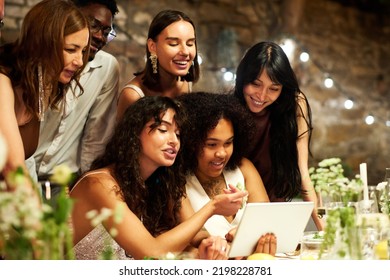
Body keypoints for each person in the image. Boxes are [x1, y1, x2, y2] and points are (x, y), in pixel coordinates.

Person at [70, 96, 248, 260]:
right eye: (163, 130)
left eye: (178, 134)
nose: (174, 141)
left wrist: (206, 249)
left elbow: (187, 240)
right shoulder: (99, 185)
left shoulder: (156, 183)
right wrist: (213, 207)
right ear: (134, 134)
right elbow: (151, 253)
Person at [29, 0, 120, 197]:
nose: (99, 37)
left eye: (106, 32)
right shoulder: (35, 65)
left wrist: (84, 190)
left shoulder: (107, 68)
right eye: (93, 24)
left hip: (62, 182)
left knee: (100, 229)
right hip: (20, 176)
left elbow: (96, 139)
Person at [232, 41, 322, 230]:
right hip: (237, 213)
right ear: (243, 79)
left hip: (277, 209)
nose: (262, 95)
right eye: (256, 84)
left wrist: (323, 228)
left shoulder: (294, 105)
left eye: (274, 88)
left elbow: (302, 172)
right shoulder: (229, 109)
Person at [0, 0, 90, 180]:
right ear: (42, 43)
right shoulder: (3, 82)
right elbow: (13, 168)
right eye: (71, 49)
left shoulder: (45, 82)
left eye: (83, 51)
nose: (79, 61)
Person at [178, 92, 276, 257]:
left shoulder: (244, 168)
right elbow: (197, 237)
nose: (221, 153)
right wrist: (239, 242)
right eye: (212, 144)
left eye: (228, 143)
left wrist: (246, 236)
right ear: (191, 143)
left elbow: (266, 219)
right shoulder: (177, 181)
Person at [116, 9, 200, 121]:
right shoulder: (133, 95)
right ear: (152, 46)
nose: (185, 52)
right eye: (173, 44)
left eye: (190, 44)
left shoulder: (186, 83)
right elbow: (122, 138)